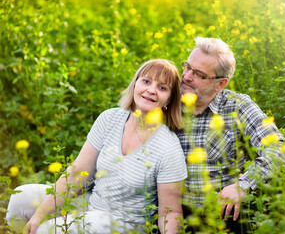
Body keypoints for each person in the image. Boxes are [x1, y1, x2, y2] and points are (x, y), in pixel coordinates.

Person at [6, 59, 188, 234]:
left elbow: (170, 211)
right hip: (93, 202)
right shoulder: (110, 118)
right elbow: (78, 172)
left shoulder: (168, 146)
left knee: (48, 230)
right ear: (135, 84)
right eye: (146, 81)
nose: (151, 90)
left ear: (168, 101)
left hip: (124, 224)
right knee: (20, 197)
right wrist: (39, 214)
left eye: (162, 87)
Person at [176, 37, 285, 233]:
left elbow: (279, 147)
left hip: (223, 216)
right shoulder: (166, 101)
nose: (186, 76)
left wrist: (243, 184)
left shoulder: (237, 105)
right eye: (187, 67)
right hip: (175, 213)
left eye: (199, 74)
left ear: (220, 84)